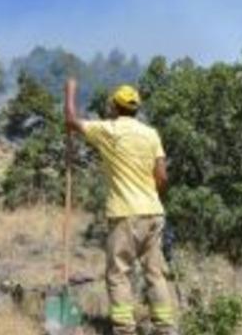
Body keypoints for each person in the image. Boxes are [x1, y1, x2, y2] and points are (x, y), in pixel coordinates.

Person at [64, 79, 178, 335]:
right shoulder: (151, 134)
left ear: (115, 107)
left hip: (125, 213)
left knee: (118, 274)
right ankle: (165, 328)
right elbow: (162, 177)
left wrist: (70, 91)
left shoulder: (109, 130)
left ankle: (125, 329)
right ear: (136, 109)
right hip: (154, 212)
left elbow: (71, 121)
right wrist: (149, 196)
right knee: (155, 273)